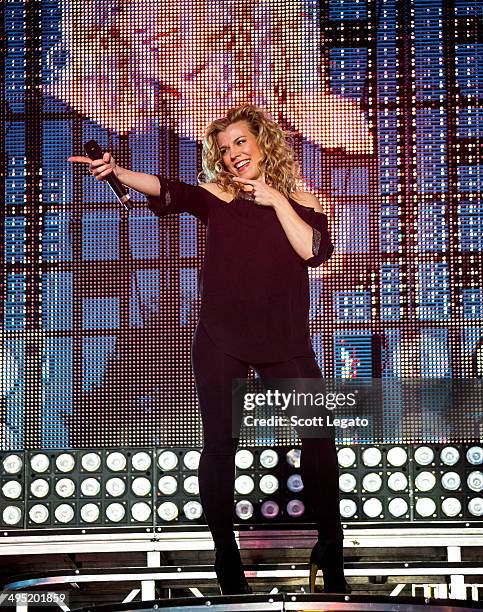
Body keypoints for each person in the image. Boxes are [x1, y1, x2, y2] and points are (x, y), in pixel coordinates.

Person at [69, 104, 349, 596]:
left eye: (240, 142)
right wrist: (117, 172)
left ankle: (330, 547)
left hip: (285, 341)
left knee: (319, 442)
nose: (233, 153)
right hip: (221, 340)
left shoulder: (307, 203)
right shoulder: (217, 198)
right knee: (221, 446)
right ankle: (226, 554)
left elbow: (313, 251)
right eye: (224, 148)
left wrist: (277, 201)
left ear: (263, 142)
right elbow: (168, 189)